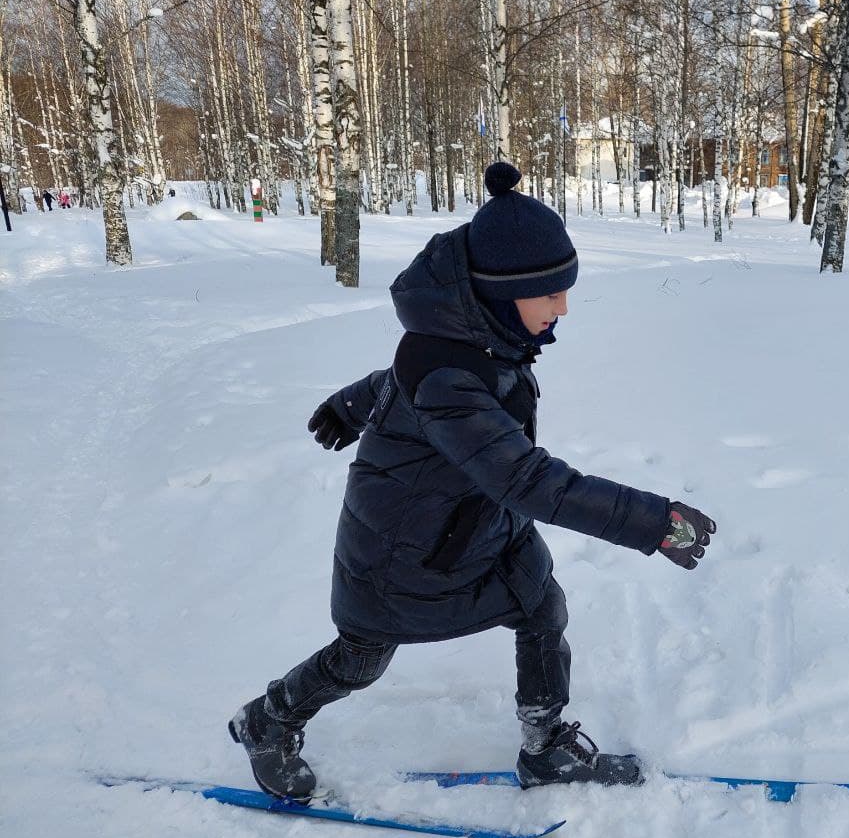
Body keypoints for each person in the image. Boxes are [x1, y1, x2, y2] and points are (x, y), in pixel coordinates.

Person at [229, 161, 717, 803]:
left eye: (566, 290)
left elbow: (400, 377)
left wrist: (352, 406)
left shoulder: (472, 336)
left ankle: (544, 749)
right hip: (408, 549)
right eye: (549, 294)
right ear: (495, 291)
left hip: (473, 523)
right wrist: (650, 522)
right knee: (362, 656)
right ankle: (268, 721)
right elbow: (526, 478)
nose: (563, 307)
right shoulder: (451, 375)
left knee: (541, 606)